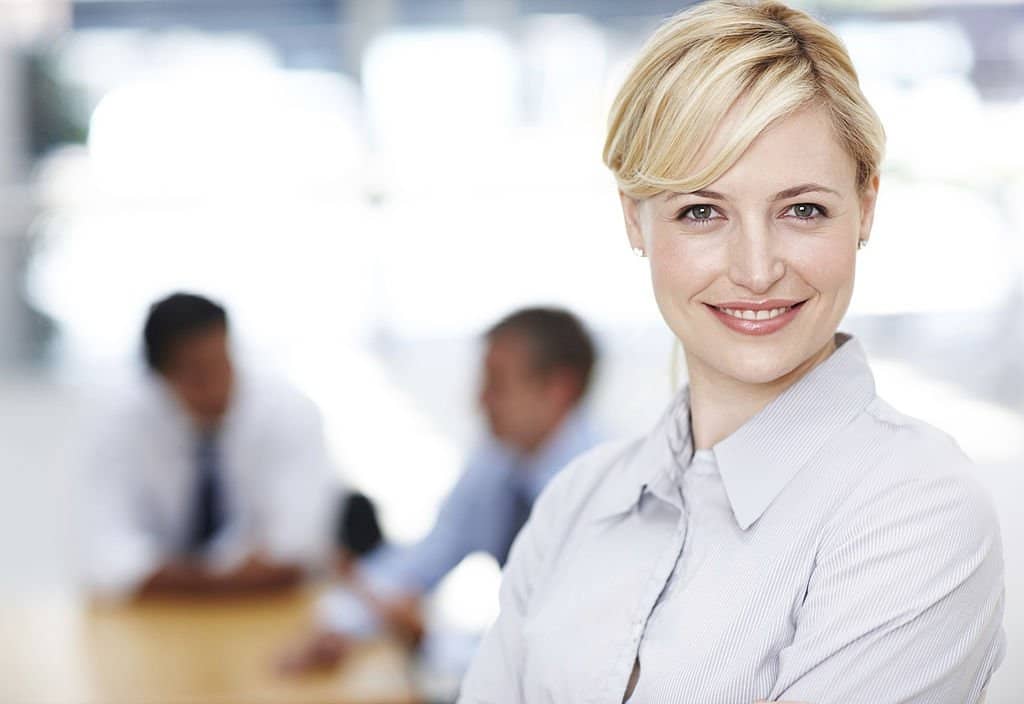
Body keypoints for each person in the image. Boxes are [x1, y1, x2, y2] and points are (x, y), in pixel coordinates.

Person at [458, 2, 1005, 703]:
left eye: (802, 209)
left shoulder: (916, 513)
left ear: (866, 206)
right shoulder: (575, 503)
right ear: (635, 217)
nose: (755, 268)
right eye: (701, 211)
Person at [280, 306, 602, 671]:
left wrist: (430, 639)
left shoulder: (607, 489)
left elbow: (562, 654)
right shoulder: (497, 463)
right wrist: (343, 620)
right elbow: (427, 556)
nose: (479, 402)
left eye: (495, 384)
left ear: (558, 389)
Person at [80, 292, 338, 597]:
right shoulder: (118, 421)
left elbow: (295, 546)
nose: (218, 385)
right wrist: (217, 580)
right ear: (161, 377)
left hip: (265, 608)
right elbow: (103, 552)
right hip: (153, 617)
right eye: (198, 373)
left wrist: (171, 576)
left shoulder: (289, 411)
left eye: (222, 363)